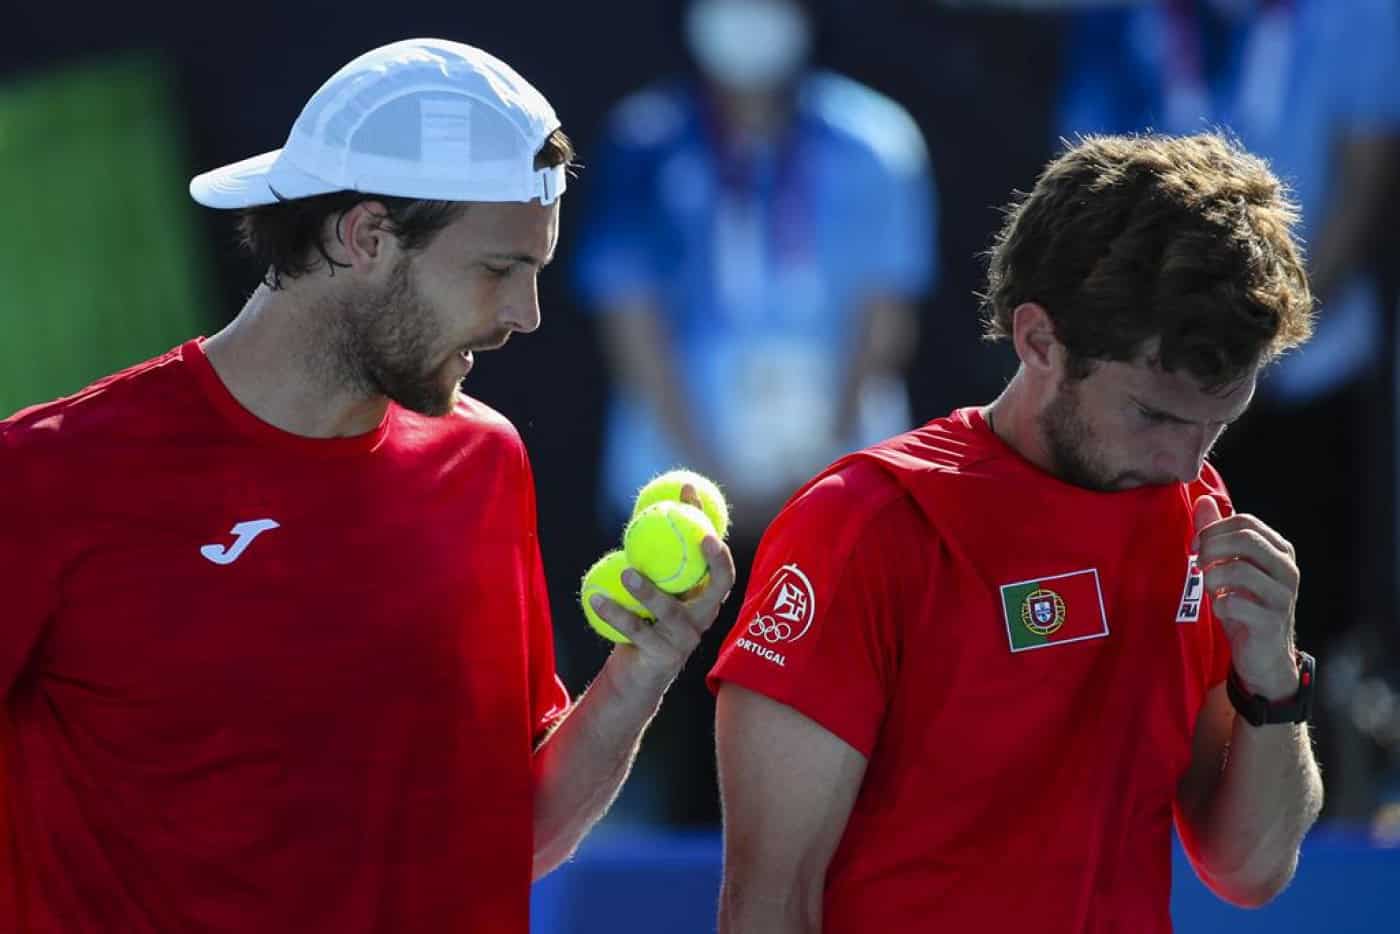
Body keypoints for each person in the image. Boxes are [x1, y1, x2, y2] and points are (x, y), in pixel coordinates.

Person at [0, 38, 734, 933]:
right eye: (499, 270)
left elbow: (512, 835)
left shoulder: (485, 462)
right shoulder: (46, 475)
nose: (525, 316)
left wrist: (643, 671)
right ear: (365, 236)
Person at [709, 133, 1324, 932]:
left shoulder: (1191, 507)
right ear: (1039, 340)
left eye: (1218, 423)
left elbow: (1249, 871)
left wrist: (1273, 680)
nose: (1184, 463)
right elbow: (766, 905)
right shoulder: (864, 526)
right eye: (1153, 415)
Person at [572, 0, 935, 824]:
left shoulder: (876, 138)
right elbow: (628, 315)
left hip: (839, 470)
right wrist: (714, 471)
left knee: (843, 714)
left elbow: (887, 312)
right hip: (684, 469)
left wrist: (824, 464)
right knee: (691, 724)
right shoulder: (643, 141)